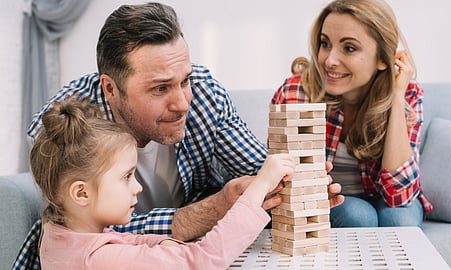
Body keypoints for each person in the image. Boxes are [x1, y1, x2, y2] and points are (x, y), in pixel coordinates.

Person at [14, 2, 343, 269]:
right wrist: (210, 211)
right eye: (160, 88)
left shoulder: (202, 92)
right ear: (110, 88)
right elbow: (81, 228)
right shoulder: (63, 128)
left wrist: (293, 189)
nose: (183, 102)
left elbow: (258, 168)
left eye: (183, 80)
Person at [30, 97, 296, 269]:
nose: (137, 187)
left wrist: (162, 245)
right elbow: (202, 261)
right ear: (81, 193)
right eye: (126, 177)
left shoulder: (61, 235)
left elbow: (128, 243)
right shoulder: (97, 260)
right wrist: (260, 185)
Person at [271, 0, 432, 228]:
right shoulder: (296, 93)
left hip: (385, 198)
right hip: (328, 201)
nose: (329, 60)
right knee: (358, 215)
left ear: (382, 59)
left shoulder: (407, 93)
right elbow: (280, 181)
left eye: (349, 48)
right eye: (325, 44)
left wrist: (396, 97)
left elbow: (400, 195)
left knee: (400, 218)